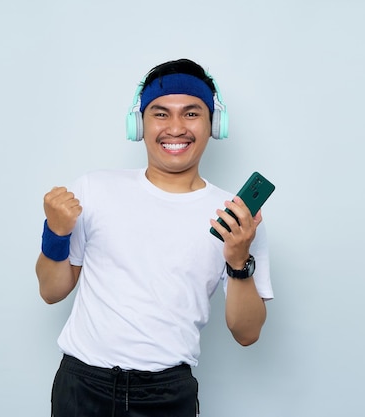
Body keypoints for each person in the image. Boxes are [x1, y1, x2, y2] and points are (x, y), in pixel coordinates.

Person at [35, 58, 273, 417]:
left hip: (167, 395)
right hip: (81, 386)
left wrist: (239, 261)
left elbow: (247, 332)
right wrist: (55, 232)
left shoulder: (237, 217)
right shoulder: (94, 189)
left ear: (214, 124)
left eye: (191, 114)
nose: (175, 128)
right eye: (161, 114)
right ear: (139, 125)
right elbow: (51, 292)